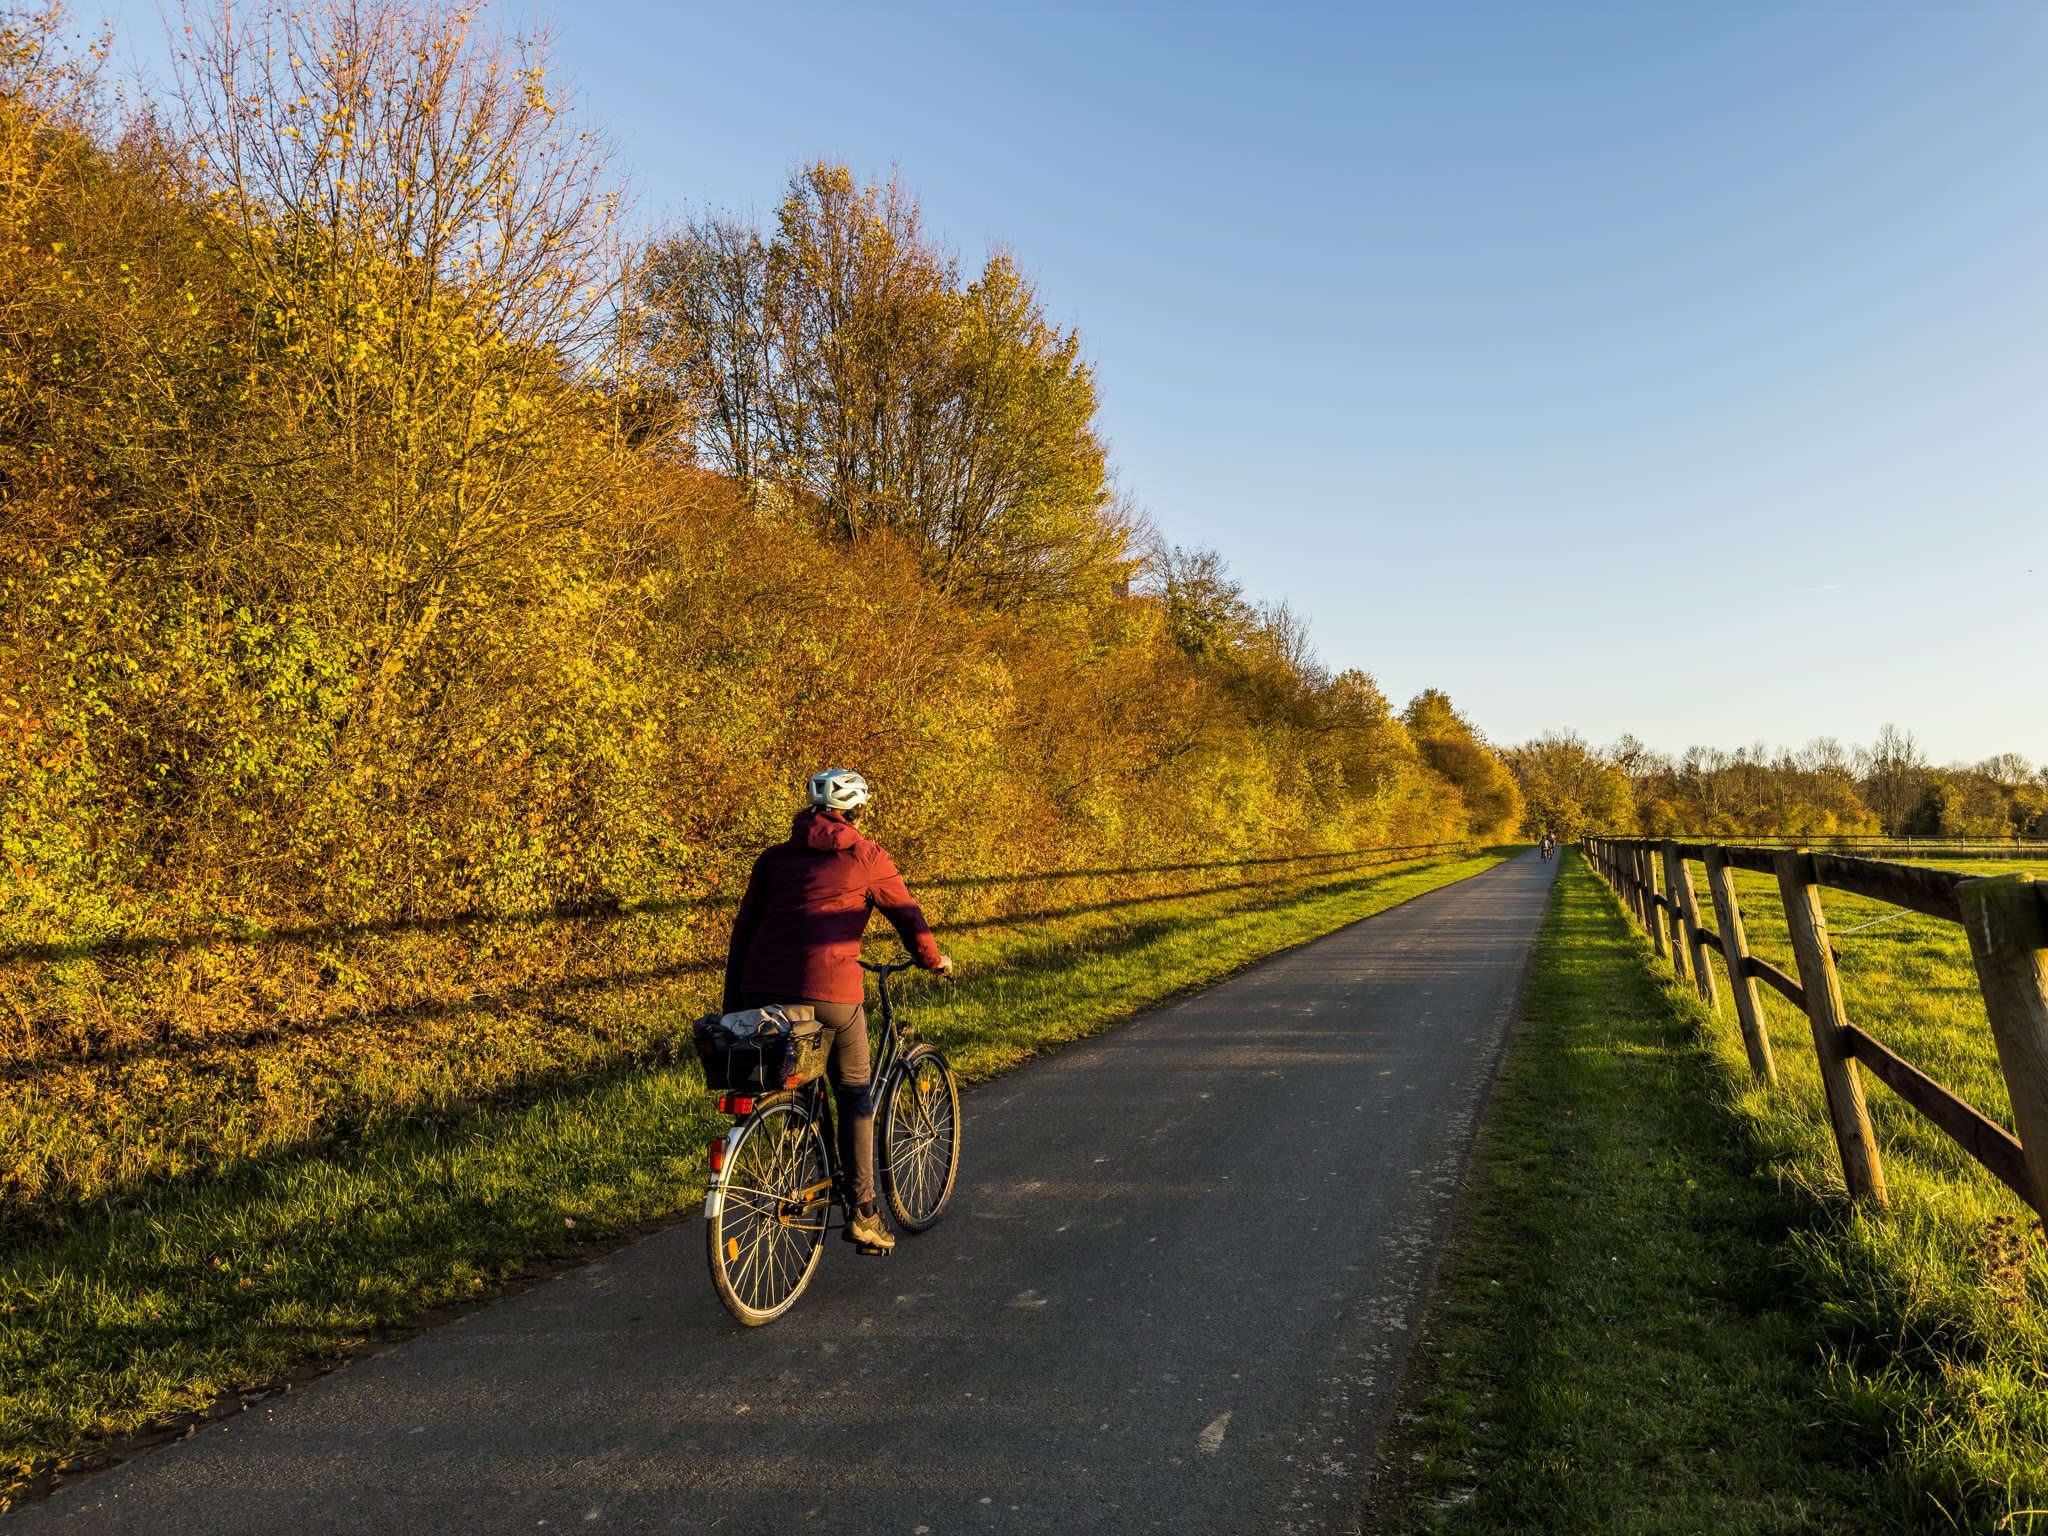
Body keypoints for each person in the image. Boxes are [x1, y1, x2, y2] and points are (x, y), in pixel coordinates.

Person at [722, 768, 952, 1255]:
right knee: (854, 1092)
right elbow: (908, 915)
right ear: (856, 812)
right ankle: (864, 1211)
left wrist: (734, 1004)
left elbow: (743, 932)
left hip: (760, 991)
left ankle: (802, 1140)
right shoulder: (866, 856)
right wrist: (933, 960)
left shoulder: (773, 859)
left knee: (799, 1069)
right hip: (830, 993)